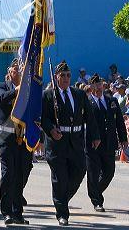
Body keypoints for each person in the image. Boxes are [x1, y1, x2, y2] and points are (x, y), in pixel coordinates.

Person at [41, 60, 100, 226]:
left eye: (68, 75)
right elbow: (42, 118)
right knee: (60, 178)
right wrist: (51, 129)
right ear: (56, 77)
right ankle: (62, 213)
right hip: (57, 143)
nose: (66, 78)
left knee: (80, 171)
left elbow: (90, 116)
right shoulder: (48, 95)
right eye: (63, 75)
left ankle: (62, 200)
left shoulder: (79, 94)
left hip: (76, 141)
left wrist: (95, 136)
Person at [0, 58, 33, 226]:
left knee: (20, 175)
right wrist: (16, 91)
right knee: (8, 174)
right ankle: (6, 212)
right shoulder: (0, 86)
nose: (18, 72)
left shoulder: (28, 90)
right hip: (7, 139)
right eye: (16, 69)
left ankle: (18, 212)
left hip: (22, 139)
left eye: (20, 70)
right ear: (9, 72)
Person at [87, 74, 127, 212]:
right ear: (91, 87)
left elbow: (119, 122)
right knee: (94, 172)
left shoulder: (112, 101)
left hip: (109, 143)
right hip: (93, 144)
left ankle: (95, 191)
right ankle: (97, 200)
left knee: (109, 172)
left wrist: (123, 138)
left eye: (100, 85)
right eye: (95, 85)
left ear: (103, 86)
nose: (98, 87)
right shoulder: (87, 102)